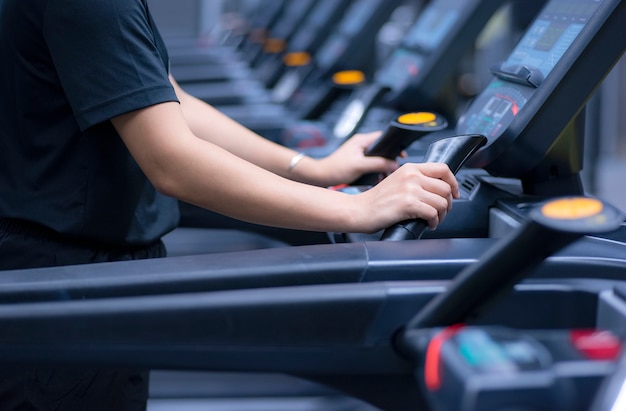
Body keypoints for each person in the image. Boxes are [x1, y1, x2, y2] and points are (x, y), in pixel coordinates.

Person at [0, 0, 459, 410]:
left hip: (59, 259)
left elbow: (165, 98)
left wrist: (311, 168)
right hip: (65, 271)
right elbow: (172, 161)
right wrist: (357, 210)